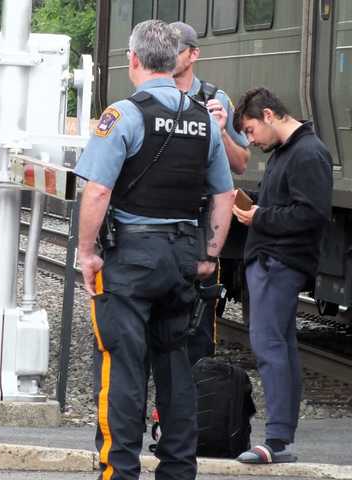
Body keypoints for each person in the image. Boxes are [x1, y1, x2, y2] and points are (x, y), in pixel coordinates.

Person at [75, 20, 235, 480]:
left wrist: (87, 253)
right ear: (176, 59)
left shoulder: (122, 115)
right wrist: (209, 253)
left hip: (130, 258)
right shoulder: (204, 119)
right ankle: (178, 469)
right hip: (184, 258)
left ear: (134, 60)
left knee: (122, 366)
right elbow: (224, 194)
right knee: (176, 364)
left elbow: (98, 192)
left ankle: (119, 471)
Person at [232, 87, 332, 464]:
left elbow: (312, 214)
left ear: (270, 116)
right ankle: (281, 436)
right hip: (271, 260)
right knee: (279, 347)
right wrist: (255, 206)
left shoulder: (308, 153)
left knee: (269, 346)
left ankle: (276, 441)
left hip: (281, 262)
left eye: (252, 129)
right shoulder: (286, 153)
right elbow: (285, 204)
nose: (251, 139)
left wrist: (260, 217)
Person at [171, 21, 251, 365]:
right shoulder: (147, 96)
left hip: (200, 217)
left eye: (175, 48)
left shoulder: (216, 99)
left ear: (193, 54)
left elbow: (241, 164)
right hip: (159, 214)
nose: (167, 55)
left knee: (199, 318)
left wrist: (221, 132)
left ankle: (194, 392)